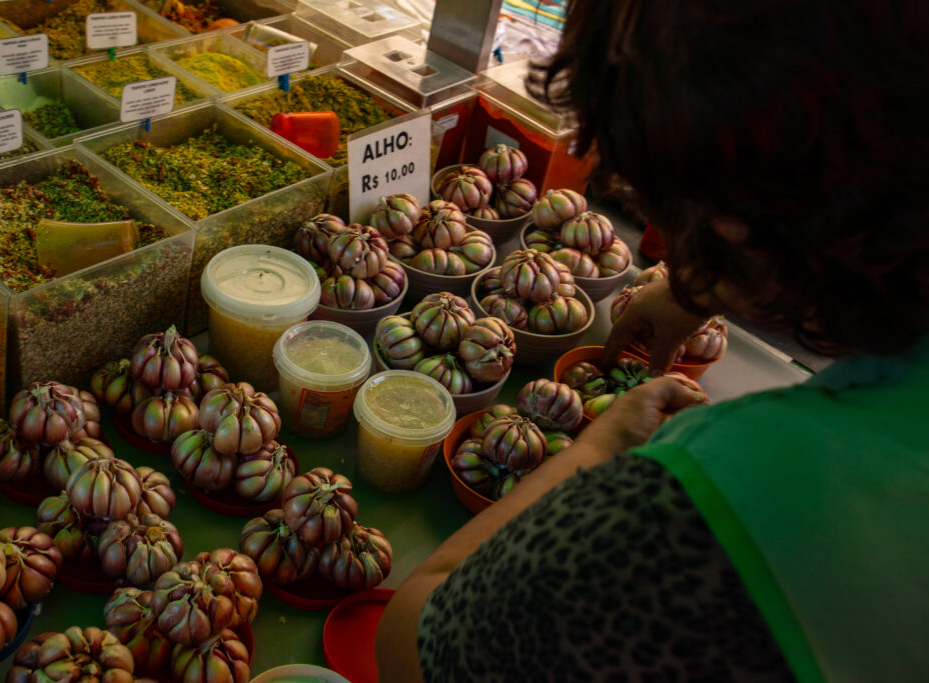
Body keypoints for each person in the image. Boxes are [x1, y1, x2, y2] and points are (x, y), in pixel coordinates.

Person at [376, 0, 929, 680]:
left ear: (729, 217)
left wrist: (599, 444)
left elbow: (414, 645)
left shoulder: (703, 506)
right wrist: (717, 277)